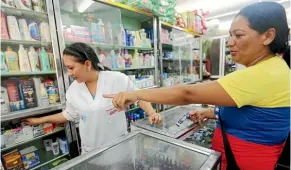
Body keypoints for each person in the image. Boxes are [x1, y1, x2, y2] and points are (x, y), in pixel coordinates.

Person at [104, 2, 290, 170]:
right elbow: (255, 114)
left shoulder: (263, 74)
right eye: (230, 35)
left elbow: (187, 93)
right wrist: (209, 113)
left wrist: (135, 94)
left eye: (239, 35)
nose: (231, 42)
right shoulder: (275, 68)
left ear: (268, 36)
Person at [24, 42, 162, 154]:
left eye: (71, 68)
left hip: (118, 149)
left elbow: (139, 97)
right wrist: (40, 120)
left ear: (88, 64)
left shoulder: (116, 79)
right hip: (91, 152)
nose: (69, 73)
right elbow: (68, 115)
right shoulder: (73, 90)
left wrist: (152, 113)